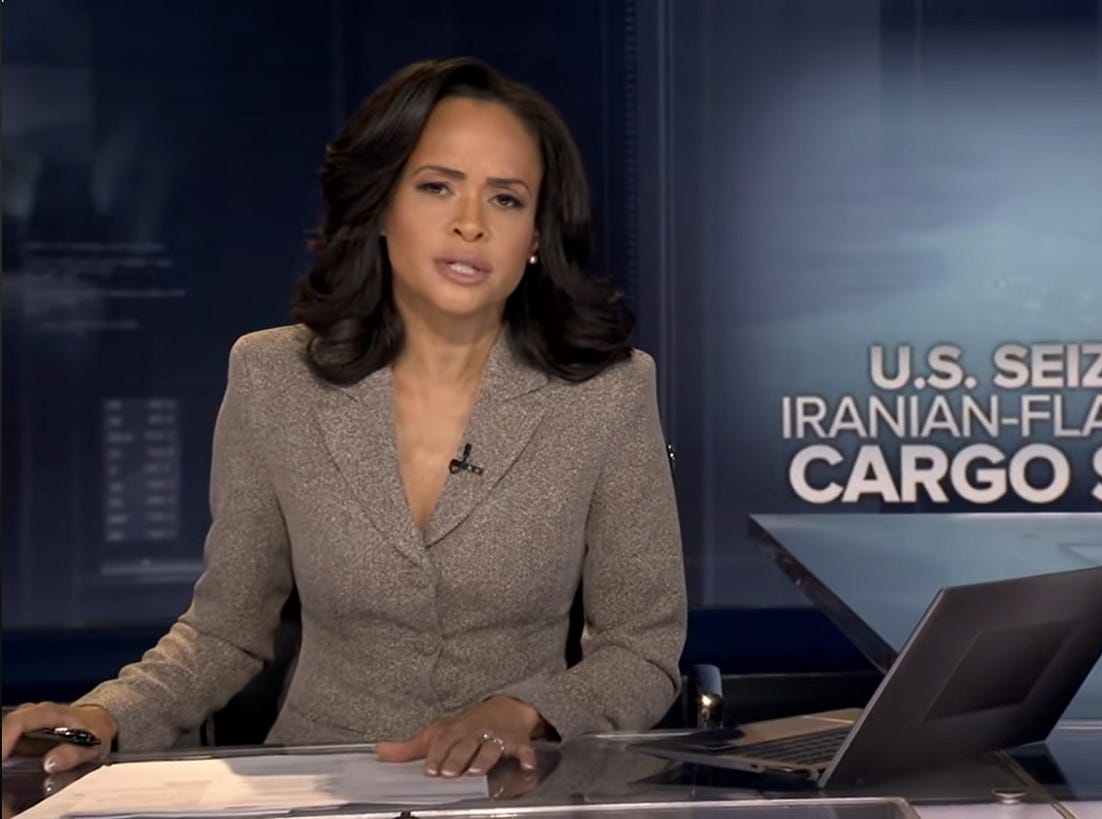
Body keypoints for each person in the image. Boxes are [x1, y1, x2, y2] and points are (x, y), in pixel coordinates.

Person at [0, 56, 687, 781]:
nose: (470, 224)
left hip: (517, 786)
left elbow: (641, 651)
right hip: (316, 780)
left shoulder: (607, 392)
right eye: (437, 187)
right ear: (382, 207)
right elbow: (226, 631)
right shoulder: (274, 377)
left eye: (507, 199)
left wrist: (527, 710)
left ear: (538, 235)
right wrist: (109, 713)